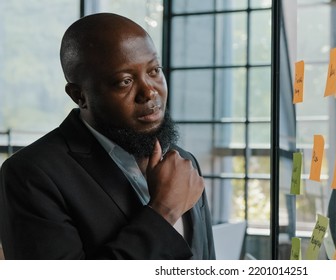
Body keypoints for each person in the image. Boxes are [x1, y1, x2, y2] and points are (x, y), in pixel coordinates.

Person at [0, 13, 215, 260]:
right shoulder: (30, 175)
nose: (149, 91)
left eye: (154, 70)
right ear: (79, 95)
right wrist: (163, 212)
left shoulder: (184, 162)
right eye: (124, 81)